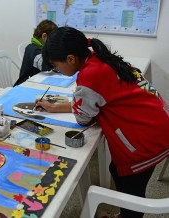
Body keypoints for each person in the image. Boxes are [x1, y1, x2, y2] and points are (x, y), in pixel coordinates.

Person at [36, 26, 169, 218]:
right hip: (157, 123)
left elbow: (83, 118)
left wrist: (74, 100)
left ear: (71, 59)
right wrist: (55, 106)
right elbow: (96, 102)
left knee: (132, 193)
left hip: (144, 141)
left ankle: (129, 214)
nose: (56, 70)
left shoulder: (90, 76)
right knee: (117, 171)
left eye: (56, 65)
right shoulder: (101, 59)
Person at [13, 19, 57, 86]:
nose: (54, 43)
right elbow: (44, 66)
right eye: (53, 39)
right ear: (44, 37)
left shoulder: (42, 47)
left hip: (37, 81)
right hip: (24, 84)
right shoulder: (32, 49)